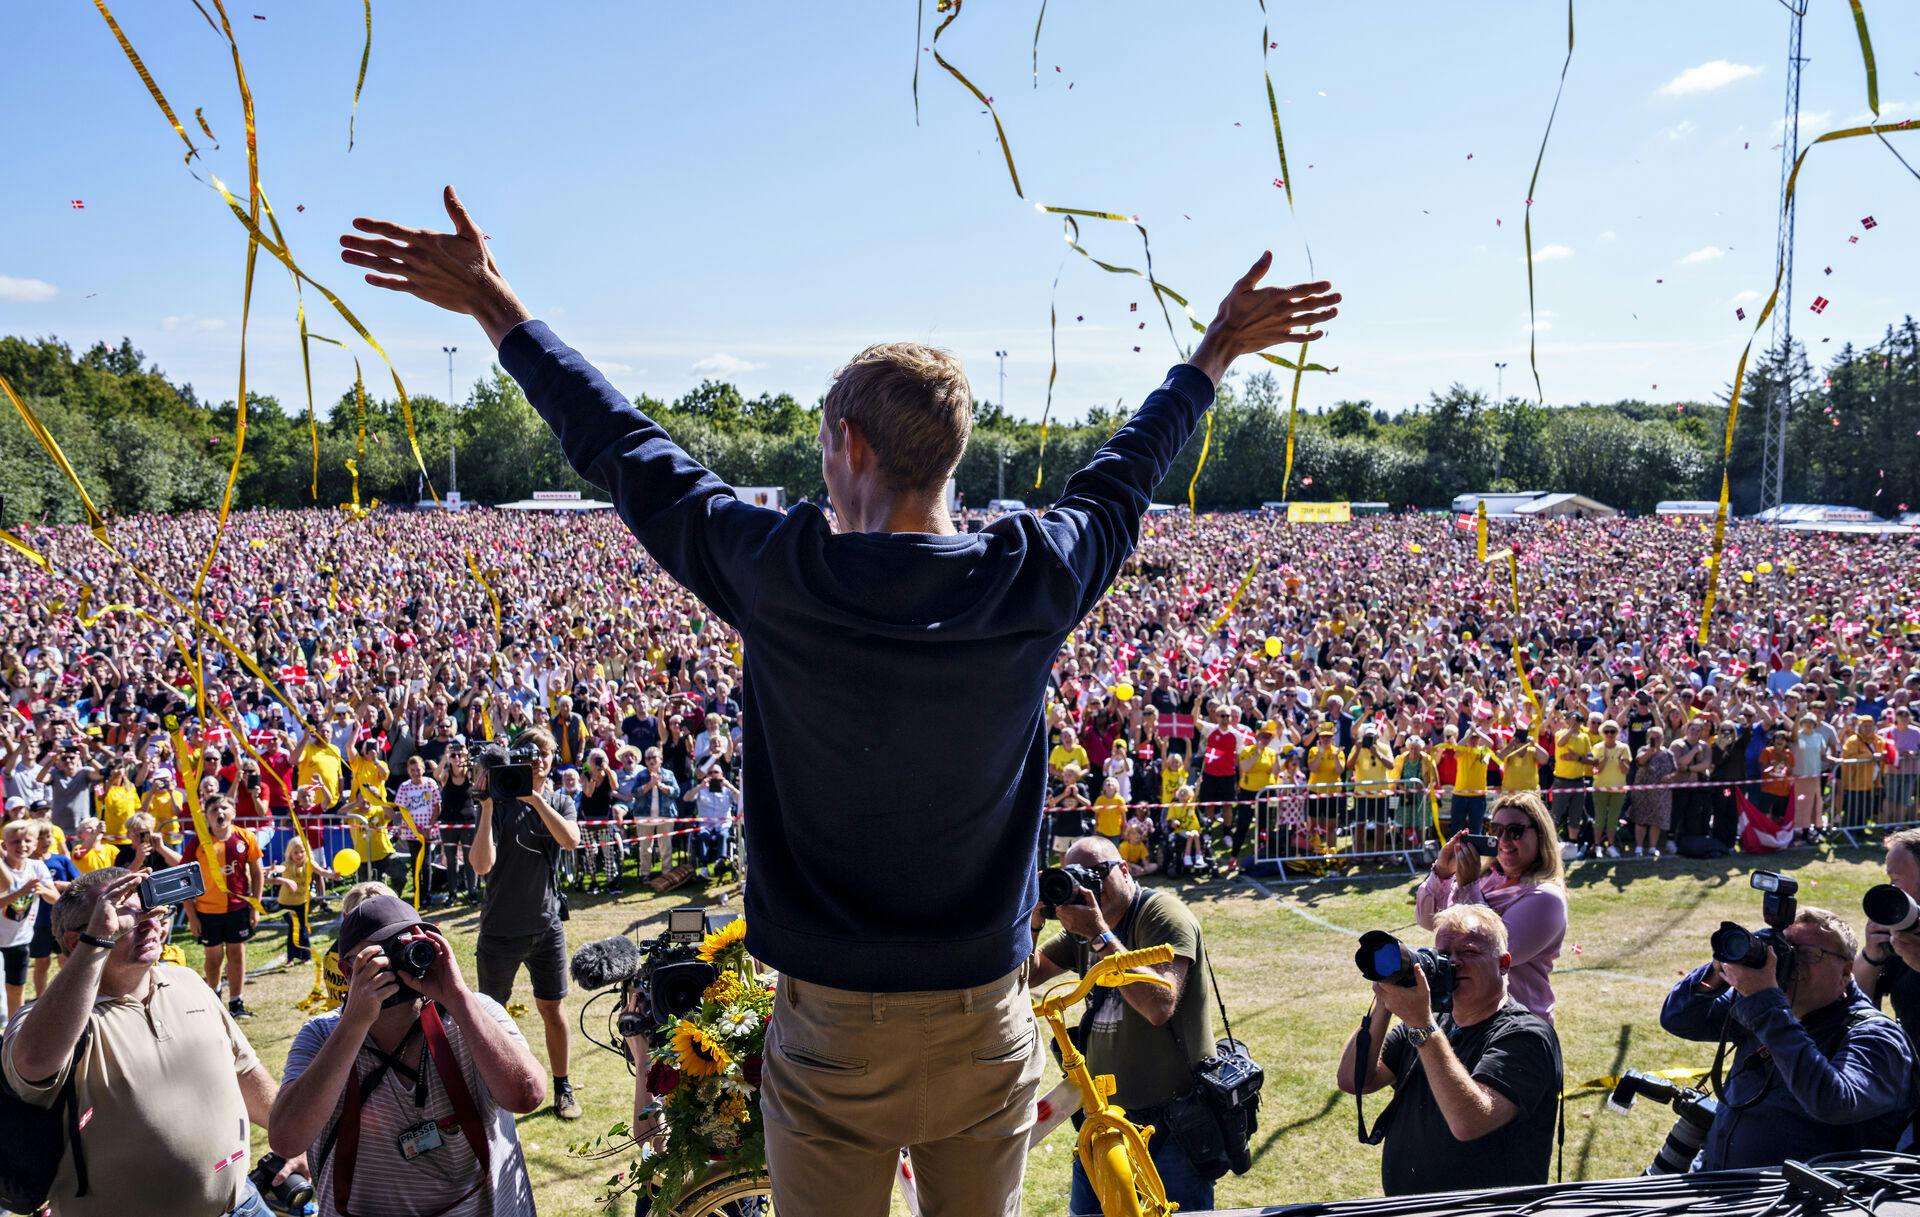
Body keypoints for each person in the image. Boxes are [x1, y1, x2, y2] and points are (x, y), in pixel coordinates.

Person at [341, 186, 1335, 1215]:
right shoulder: (1031, 573)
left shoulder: (785, 573)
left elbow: (624, 448)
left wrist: (498, 306)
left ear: (852, 445)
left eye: (823, 443)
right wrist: (1212, 352)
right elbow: (1125, 474)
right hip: (984, 1017)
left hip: (832, 1025)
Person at [2, 867, 305, 1216]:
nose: (148, 924)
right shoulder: (45, 1019)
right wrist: (99, 938)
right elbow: (33, 1062)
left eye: (151, 911)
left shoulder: (187, 981)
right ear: (77, 940)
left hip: (242, 1204)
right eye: (124, 915)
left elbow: (243, 1069)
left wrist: (294, 1140)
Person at [268, 893, 544, 1216]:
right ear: (347, 970)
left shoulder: (474, 1014)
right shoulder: (321, 1036)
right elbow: (286, 1139)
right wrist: (354, 1024)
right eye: (383, 955)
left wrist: (457, 996)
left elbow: (528, 1096)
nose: (402, 963)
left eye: (409, 946)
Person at [1030, 837, 1220, 1215]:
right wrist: (1033, 919)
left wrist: (1100, 935)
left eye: (1096, 874)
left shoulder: (1161, 915)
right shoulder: (1083, 928)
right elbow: (1029, 974)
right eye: (1073, 877)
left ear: (1124, 869)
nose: (1088, 888)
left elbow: (1158, 1004)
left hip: (1173, 1124)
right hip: (1105, 1121)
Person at [1660, 906, 1914, 1168]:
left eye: (1808, 955)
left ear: (1845, 972)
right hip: (1716, 1182)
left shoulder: (1876, 1035)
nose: (1791, 963)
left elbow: (1835, 1102)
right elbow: (1678, 1018)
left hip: (1796, 1202)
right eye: (1784, 951)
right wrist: (1718, 971)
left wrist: (1768, 1007)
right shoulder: (1767, 1005)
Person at [1336, 903, 1563, 1196]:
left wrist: (1421, 1024)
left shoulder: (1526, 1036)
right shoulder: (1432, 1023)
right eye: (1444, 954)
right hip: (1411, 1207)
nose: (1453, 963)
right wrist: (1386, 1001)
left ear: (1504, 963)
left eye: (1469, 952)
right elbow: (1354, 1080)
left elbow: (1469, 1122)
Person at [469, 726, 583, 1121]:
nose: (539, 759)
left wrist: (535, 800)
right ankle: (494, 1090)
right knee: (491, 1015)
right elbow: (481, 865)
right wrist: (486, 806)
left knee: (553, 1009)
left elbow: (570, 840)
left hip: (546, 925)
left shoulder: (558, 800)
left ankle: (563, 1087)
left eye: (546, 754)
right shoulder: (498, 805)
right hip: (500, 930)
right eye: (531, 753)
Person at [1416, 793, 1568, 1021]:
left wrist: (1467, 886)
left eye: (1515, 831)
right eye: (1496, 829)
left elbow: (1491, 952)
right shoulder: (1486, 878)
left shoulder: (1547, 898)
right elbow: (1427, 920)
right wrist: (1443, 872)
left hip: (1517, 1023)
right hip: (1464, 1017)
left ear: (1540, 835)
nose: (1504, 840)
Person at [182, 794, 266, 1021]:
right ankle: (214, 997)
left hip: (238, 909)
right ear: (206, 817)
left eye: (224, 808)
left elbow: (258, 872)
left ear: (233, 812)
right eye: (214, 810)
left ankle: (236, 1003)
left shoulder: (245, 837)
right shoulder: (198, 842)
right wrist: (192, 916)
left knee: (237, 954)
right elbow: (185, 880)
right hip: (207, 911)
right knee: (213, 957)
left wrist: (255, 906)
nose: (220, 813)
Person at [1856, 827, 1920, 1054]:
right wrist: (1871, 956)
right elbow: (1855, 1003)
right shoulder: (1902, 929)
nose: (1891, 891)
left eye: (1896, 881)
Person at [1, 818, 57, 1028]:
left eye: (27, 841)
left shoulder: (36, 866)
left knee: (16, 988)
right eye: (15, 841)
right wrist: (21, 892)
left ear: (34, 845)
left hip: (19, 940)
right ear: (5, 845)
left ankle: (13, 1032)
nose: (21, 845)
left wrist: (43, 891)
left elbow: (55, 899)